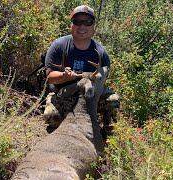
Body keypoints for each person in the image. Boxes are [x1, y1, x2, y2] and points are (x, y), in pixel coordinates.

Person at [43, 5, 119, 133]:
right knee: (51, 117)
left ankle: (105, 132)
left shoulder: (100, 53)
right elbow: (50, 77)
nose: (82, 27)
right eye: (77, 22)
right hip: (64, 94)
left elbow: (102, 80)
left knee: (113, 101)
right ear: (71, 25)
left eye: (87, 22)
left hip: (90, 95)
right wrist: (64, 76)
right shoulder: (59, 46)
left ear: (93, 26)